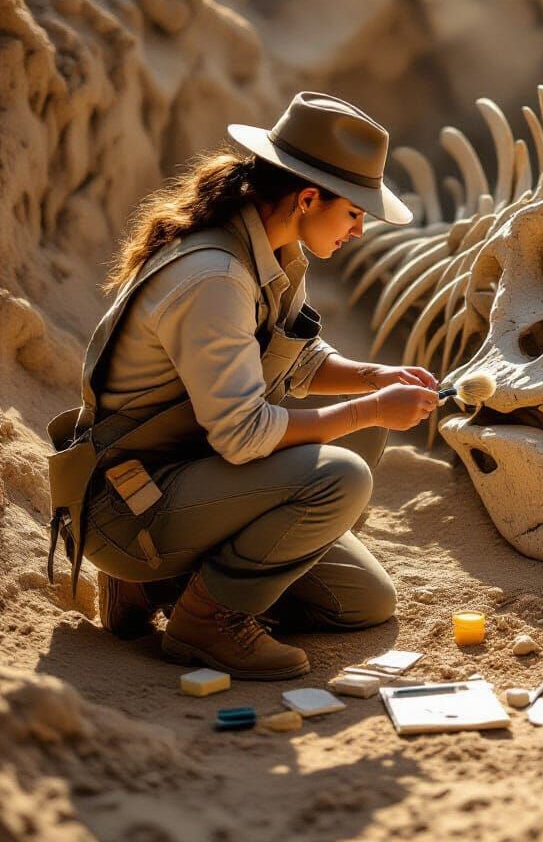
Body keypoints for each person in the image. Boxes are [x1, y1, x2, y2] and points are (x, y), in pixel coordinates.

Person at [46, 91, 439, 680]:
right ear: (308, 198)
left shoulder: (272, 249)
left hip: (193, 473)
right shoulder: (213, 277)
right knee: (346, 466)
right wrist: (371, 408)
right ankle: (205, 619)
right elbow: (243, 434)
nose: (359, 229)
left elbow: (295, 358)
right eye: (355, 212)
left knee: (364, 602)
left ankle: (173, 583)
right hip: (132, 503)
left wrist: (372, 378)